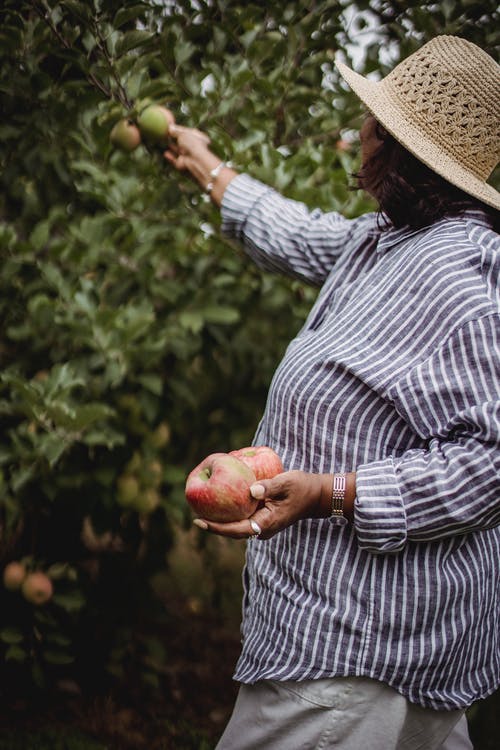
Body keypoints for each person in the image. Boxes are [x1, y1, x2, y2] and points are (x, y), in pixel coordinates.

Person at [164, 35, 499, 750]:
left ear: (402, 152)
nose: (363, 132)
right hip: (382, 646)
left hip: (354, 656)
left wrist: (334, 491)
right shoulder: (388, 242)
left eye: (375, 123)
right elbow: (302, 234)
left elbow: (489, 462)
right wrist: (205, 164)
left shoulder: (458, 281)